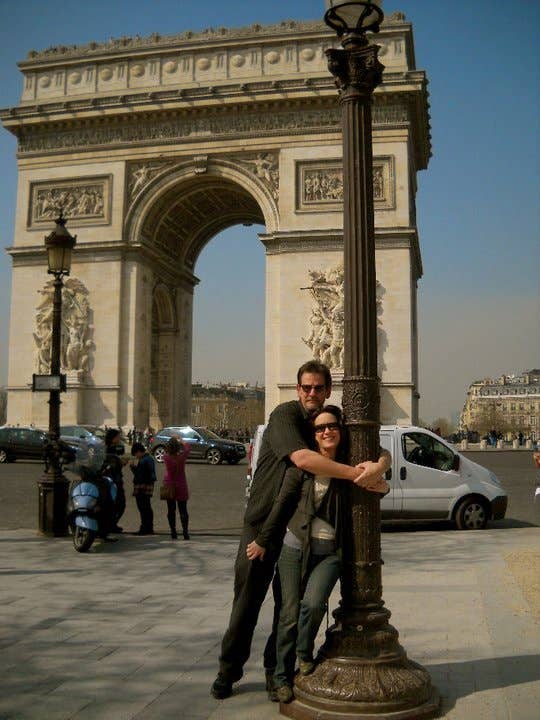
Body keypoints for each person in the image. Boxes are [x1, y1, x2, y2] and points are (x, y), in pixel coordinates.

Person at [210, 360, 390, 700]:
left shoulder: (322, 424)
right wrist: (357, 474)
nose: (312, 393)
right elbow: (304, 460)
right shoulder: (285, 415)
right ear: (297, 389)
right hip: (261, 523)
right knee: (247, 602)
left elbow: (371, 444)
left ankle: (274, 671)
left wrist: (381, 464)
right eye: (306, 387)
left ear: (328, 390)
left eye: (318, 388)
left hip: (296, 530)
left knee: (286, 609)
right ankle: (228, 670)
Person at [249, 405, 355, 702]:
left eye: (332, 426)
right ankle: (282, 678)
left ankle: (303, 652)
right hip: (294, 547)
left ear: (341, 430)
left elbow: (379, 477)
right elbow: (282, 504)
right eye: (320, 428)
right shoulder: (301, 470)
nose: (327, 431)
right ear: (314, 435)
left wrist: (381, 467)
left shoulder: (348, 466)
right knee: (289, 615)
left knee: (313, 605)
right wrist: (262, 540)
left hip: (330, 551)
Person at [162, 436, 191, 540]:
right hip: (181, 484)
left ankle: (173, 532)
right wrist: (181, 440)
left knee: (171, 510)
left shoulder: (165, 457)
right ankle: (185, 532)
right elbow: (187, 448)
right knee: (183, 510)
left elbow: (166, 452)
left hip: (169, 483)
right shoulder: (182, 457)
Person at [130, 442, 157, 535]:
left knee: (143, 507)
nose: (136, 456)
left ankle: (145, 527)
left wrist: (134, 468)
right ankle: (148, 527)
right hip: (145, 485)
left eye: (136, 454)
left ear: (138, 451)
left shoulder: (146, 460)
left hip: (143, 486)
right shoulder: (147, 459)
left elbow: (142, 474)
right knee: (146, 507)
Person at [104, 428, 126, 533]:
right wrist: (121, 463)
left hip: (109, 480)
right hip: (114, 480)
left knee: (113, 504)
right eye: (117, 437)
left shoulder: (107, 448)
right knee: (119, 504)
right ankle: (111, 524)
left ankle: (110, 524)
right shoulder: (111, 450)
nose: (119, 439)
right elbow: (113, 465)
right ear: (113, 438)